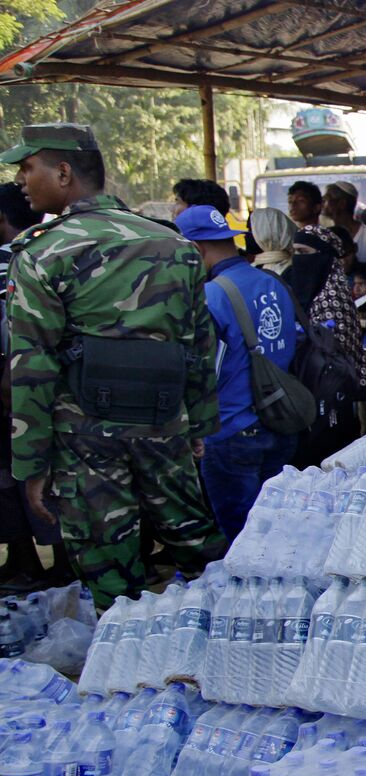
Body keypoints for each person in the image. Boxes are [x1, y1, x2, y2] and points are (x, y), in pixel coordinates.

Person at [2, 123, 225, 609]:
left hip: (86, 441)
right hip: (165, 426)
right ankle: (230, 640)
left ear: (63, 173)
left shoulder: (42, 254)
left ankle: (130, 667)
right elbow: (198, 345)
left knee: (111, 573)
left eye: (28, 168)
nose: (20, 180)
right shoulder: (175, 246)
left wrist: (31, 464)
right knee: (201, 555)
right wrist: (199, 426)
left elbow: (31, 367)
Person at [175, 205, 300, 542]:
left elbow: (205, 372)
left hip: (231, 430)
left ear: (195, 249)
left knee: (241, 538)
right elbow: (296, 337)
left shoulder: (211, 295)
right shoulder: (273, 281)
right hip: (280, 422)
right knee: (275, 530)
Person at [0, 182, 71, 589]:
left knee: (23, 482)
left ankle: (42, 562)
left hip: (22, 392)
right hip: (46, 391)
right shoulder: (49, 256)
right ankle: (43, 561)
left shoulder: (22, 263)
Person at [286, 182, 364, 385]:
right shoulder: (302, 291)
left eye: (304, 253)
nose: (299, 260)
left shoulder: (335, 301)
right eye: (296, 253)